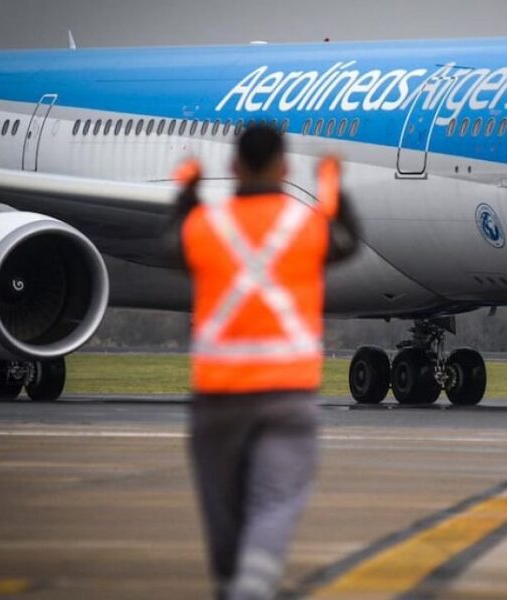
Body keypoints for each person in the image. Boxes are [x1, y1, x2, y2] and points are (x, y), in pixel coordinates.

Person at [176, 124, 359, 600]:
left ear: (233, 166)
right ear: (285, 167)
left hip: (217, 401)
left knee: (224, 515)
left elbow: (170, 245)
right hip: (287, 397)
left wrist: (187, 190)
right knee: (274, 505)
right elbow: (346, 239)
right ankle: (252, 588)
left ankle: (231, 585)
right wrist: (333, 183)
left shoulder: (206, 226)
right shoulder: (306, 227)